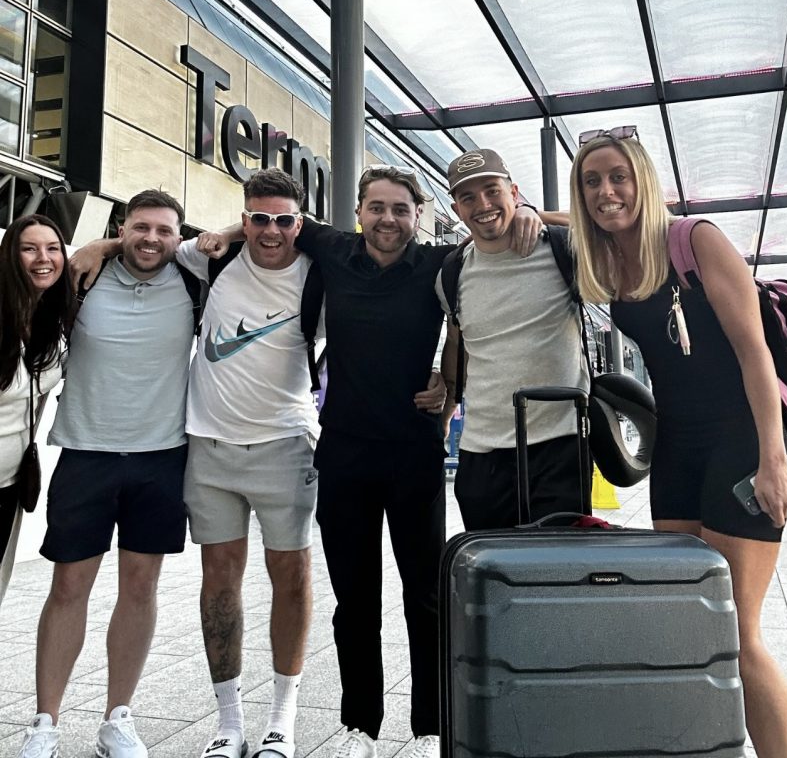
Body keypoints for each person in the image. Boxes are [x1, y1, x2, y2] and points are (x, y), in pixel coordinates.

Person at [199, 166, 543, 758]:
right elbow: (272, 220)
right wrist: (224, 232)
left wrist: (536, 216)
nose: (388, 219)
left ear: (418, 216)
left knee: (426, 597)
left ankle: (434, 727)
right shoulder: (333, 249)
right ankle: (360, 725)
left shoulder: (440, 263)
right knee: (355, 600)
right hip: (344, 455)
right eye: (377, 207)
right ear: (358, 212)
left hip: (414, 454)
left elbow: (489, 268)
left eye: (400, 209)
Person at [569, 128, 787, 758]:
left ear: (644, 179)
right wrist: (533, 214)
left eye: (618, 176)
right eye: (592, 181)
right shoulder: (607, 261)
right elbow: (562, 218)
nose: (606, 191)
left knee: (735, 629)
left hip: (739, 440)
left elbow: (755, 353)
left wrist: (774, 462)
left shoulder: (694, 240)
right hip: (677, 449)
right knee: (685, 618)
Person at [18, 190, 193, 758]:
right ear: (123, 227)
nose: (151, 239)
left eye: (164, 230)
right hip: (86, 454)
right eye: (139, 228)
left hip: (163, 457)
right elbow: (28, 292)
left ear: (179, 235)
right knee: (68, 587)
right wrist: (95, 248)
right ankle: (45, 723)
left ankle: (118, 718)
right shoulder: (82, 278)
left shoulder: (195, 280)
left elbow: (251, 235)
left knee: (140, 588)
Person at [179, 170, 320, 758]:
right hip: (208, 449)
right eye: (258, 218)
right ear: (244, 219)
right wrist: (96, 244)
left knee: (291, 578)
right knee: (220, 583)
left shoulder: (319, 275)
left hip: (285, 446)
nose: (270, 231)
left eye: (283, 219)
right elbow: (148, 241)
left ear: (299, 223)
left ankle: (282, 717)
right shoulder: (211, 260)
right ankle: (228, 721)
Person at [437, 149, 587, 531]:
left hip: (560, 445)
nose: (483, 205)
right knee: (495, 578)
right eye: (468, 197)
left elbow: (616, 227)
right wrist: (444, 413)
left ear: (514, 192)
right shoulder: (452, 273)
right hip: (481, 452)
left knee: (557, 575)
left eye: (492, 190)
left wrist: (539, 213)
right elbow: (459, 347)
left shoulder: (560, 247)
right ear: (456, 210)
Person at [0, 216, 73, 607]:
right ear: (11, 255)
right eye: (29, 248)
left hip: (11, 480)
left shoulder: (50, 319)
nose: (43, 258)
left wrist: (107, 245)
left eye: (52, 248)